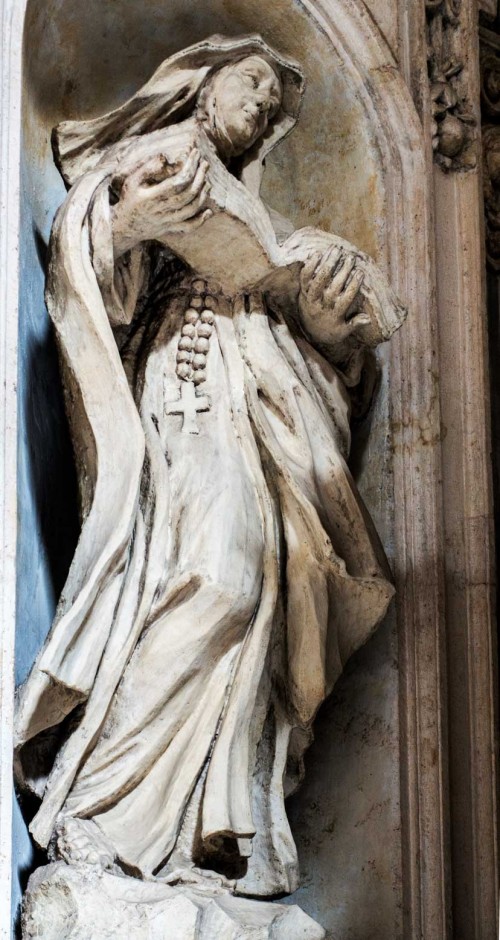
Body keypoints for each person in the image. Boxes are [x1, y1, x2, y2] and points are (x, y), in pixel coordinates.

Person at [15, 34, 403, 898]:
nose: (262, 106)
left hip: (255, 415)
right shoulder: (152, 159)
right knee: (213, 574)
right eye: (253, 84)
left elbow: (336, 368)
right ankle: (103, 810)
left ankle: (211, 840)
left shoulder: (275, 227)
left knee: (259, 585)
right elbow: (91, 276)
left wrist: (335, 331)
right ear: (205, 81)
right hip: (177, 401)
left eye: (273, 104)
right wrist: (129, 220)